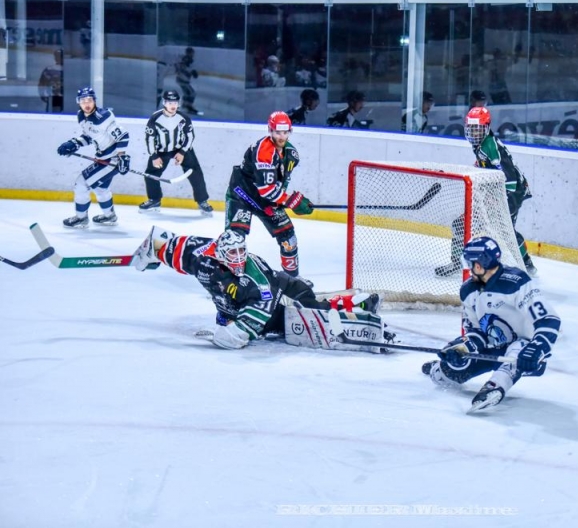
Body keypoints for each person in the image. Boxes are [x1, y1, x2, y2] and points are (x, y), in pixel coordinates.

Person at [131, 227, 382, 350]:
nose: (239, 257)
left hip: (280, 289)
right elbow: (165, 242)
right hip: (243, 302)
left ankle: (359, 308)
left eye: (242, 251)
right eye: (233, 253)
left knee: (307, 314)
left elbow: (238, 336)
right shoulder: (202, 258)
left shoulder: (256, 282)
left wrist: (229, 333)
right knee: (303, 312)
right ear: (220, 253)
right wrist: (151, 253)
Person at [423, 236, 561, 412]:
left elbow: (549, 319)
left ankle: (495, 386)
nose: (468, 268)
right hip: (492, 347)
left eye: (469, 263)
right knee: (446, 374)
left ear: (479, 265)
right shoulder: (468, 290)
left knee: (518, 351)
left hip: (527, 353)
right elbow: (475, 331)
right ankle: (438, 368)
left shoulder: (517, 282)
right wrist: (463, 348)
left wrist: (538, 347)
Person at [435, 106, 537, 277]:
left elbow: (509, 178)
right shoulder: (482, 144)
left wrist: (501, 202)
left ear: (487, 127)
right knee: (461, 224)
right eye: (471, 129)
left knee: (506, 232)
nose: (474, 133)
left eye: (478, 129)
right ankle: (457, 262)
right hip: (498, 192)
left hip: (512, 192)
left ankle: (526, 265)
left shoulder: (491, 146)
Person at [225, 111, 313, 278]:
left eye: (285, 132)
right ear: (270, 131)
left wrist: (287, 201)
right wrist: (291, 201)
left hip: (266, 200)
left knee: (289, 239)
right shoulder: (264, 151)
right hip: (242, 195)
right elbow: (266, 189)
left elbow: (281, 182)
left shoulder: (292, 154)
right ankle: (229, 281)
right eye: (278, 132)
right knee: (234, 241)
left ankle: (292, 280)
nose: (281, 136)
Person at [56, 87, 130, 229]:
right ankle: (109, 216)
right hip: (103, 158)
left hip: (111, 160)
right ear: (78, 102)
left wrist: (123, 157)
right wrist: (74, 143)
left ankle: (81, 218)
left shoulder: (104, 117)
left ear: (94, 101)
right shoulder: (81, 116)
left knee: (81, 184)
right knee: (101, 188)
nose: (87, 103)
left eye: (89, 100)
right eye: (83, 100)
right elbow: (90, 136)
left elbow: (123, 136)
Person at [138, 90, 213, 216]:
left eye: (175, 102)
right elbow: (150, 139)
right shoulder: (155, 118)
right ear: (164, 103)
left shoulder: (183, 118)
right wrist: (154, 156)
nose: (173, 105)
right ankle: (154, 199)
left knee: (195, 172)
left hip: (181, 149)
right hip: (162, 150)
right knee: (150, 174)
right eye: (169, 102)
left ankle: (202, 201)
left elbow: (190, 137)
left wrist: (182, 152)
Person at [175, 47, 200, 115]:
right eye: (192, 53)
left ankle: (185, 105)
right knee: (192, 93)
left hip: (181, 79)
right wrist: (192, 72)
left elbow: (179, 66)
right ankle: (188, 106)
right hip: (183, 79)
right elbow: (186, 68)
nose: (193, 54)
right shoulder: (188, 60)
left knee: (187, 93)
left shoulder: (183, 59)